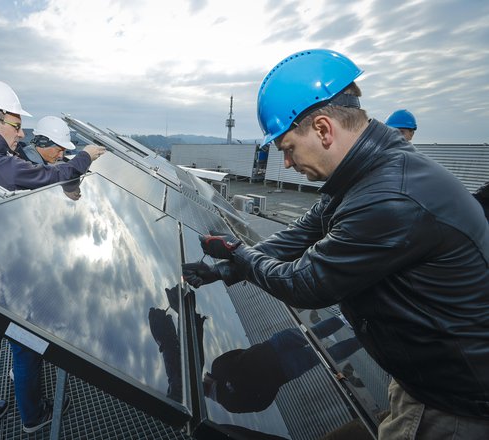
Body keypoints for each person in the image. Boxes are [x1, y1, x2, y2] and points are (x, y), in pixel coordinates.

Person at [183, 49, 489, 438]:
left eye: (289, 149)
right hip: (423, 375)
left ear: (324, 129)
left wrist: (238, 252)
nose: (289, 164)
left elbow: (305, 282)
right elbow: (299, 235)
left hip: (454, 403)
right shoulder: (363, 175)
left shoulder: (389, 197)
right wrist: (223, 269)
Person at [0, 79, 105, 439]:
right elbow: (54, 173)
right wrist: (85, 157)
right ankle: (34, 416)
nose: (21, 134)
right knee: (26, 346)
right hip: (9, 272)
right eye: (16, 125)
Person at [203, 317, 361, 414]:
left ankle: (363, 337)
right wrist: (260, 354)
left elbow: (261, 404)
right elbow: (240, 352)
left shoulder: (230, 404)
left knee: (325, 355)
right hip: (273, 348)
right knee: (314, 334)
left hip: (284, 370)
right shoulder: (218, 367)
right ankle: (349, 319)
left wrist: (272, 383)